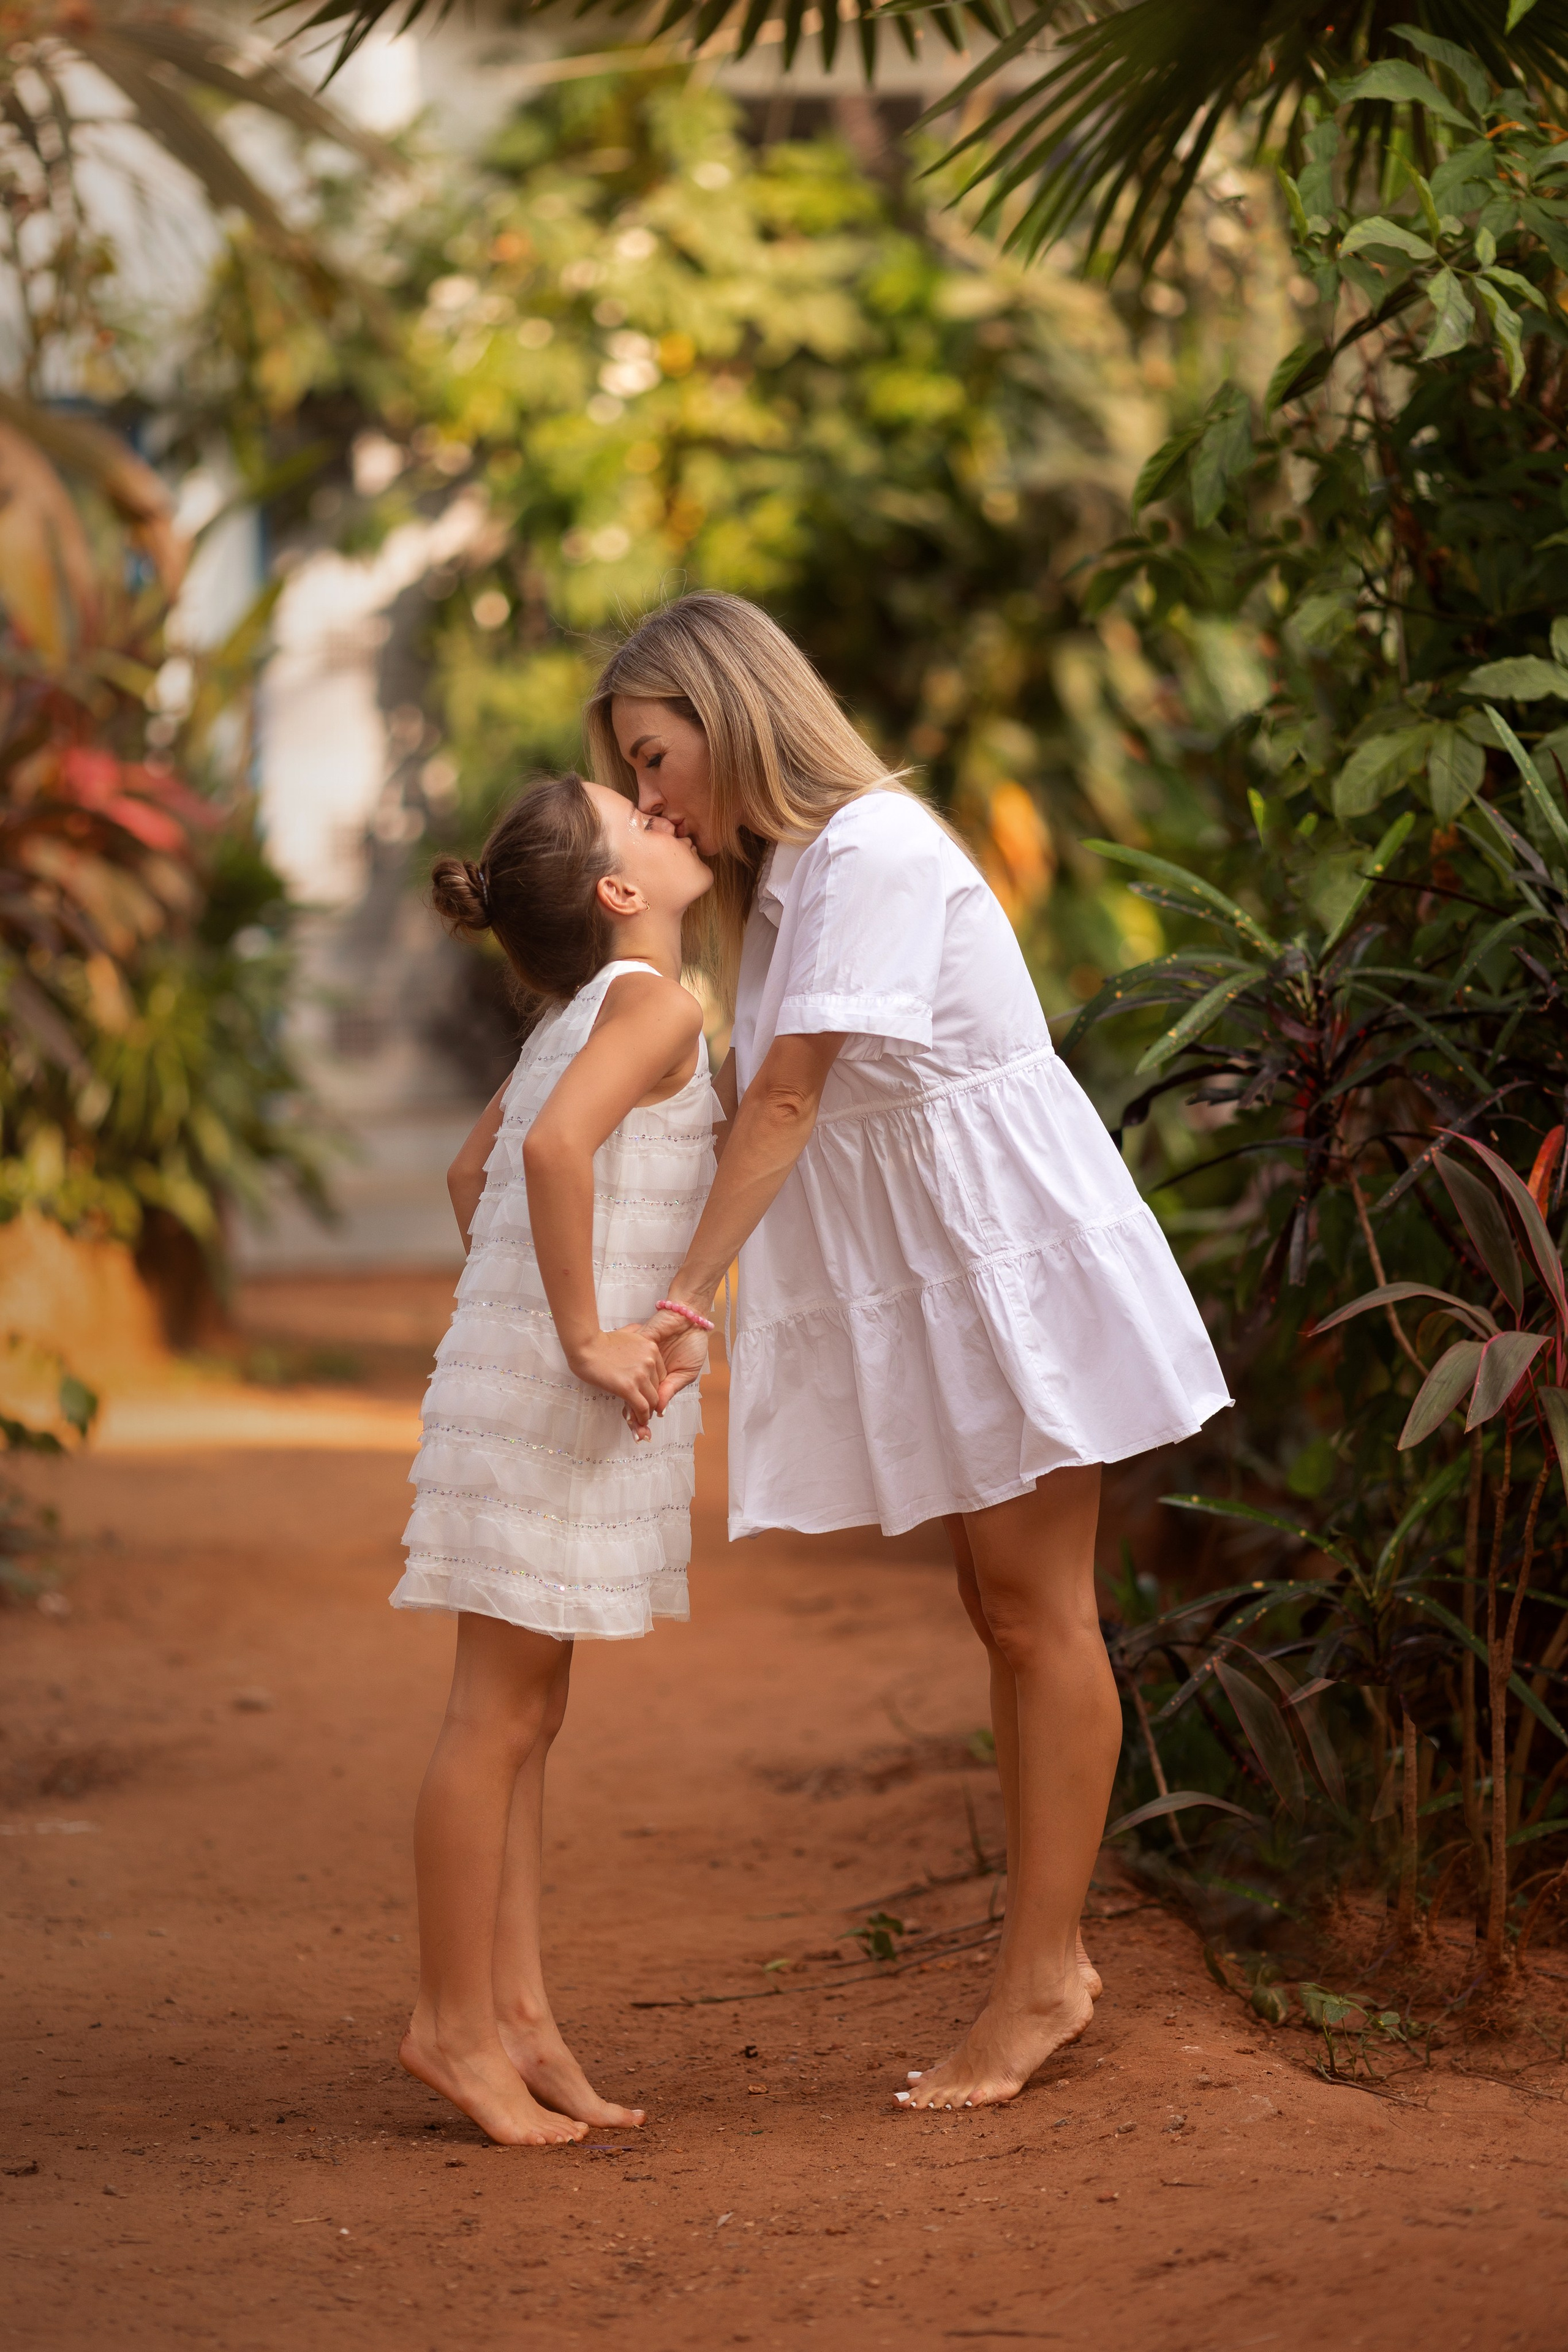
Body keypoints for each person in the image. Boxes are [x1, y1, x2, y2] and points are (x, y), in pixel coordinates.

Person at [584, 593, 1232, 2113]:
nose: (651, 798)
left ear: (733, 715)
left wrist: (683, 1307)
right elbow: (761, 1095)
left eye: (656, 756)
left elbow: (789, 1101)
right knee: (1002, 1607)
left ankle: (1042, 1979)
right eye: (631, 771)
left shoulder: (865, 851)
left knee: (1035, 1614)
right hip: (946, 1257)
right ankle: (1042, 1959)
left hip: (996, 1251)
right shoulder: (802, 876)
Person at [389, 771, 717, 2146]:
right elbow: (552, 1151)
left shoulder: (576, 1013)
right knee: (496, 1721)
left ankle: (517, 2017)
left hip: (517, 1391)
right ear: (618, 895)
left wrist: (524, 1326)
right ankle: (450, 2025)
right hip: (551, 1389)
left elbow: (475, 1175)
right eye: (638, 814)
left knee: (525, 1718)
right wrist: (580, 1334)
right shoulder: (652, 1003)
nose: (669, 805)